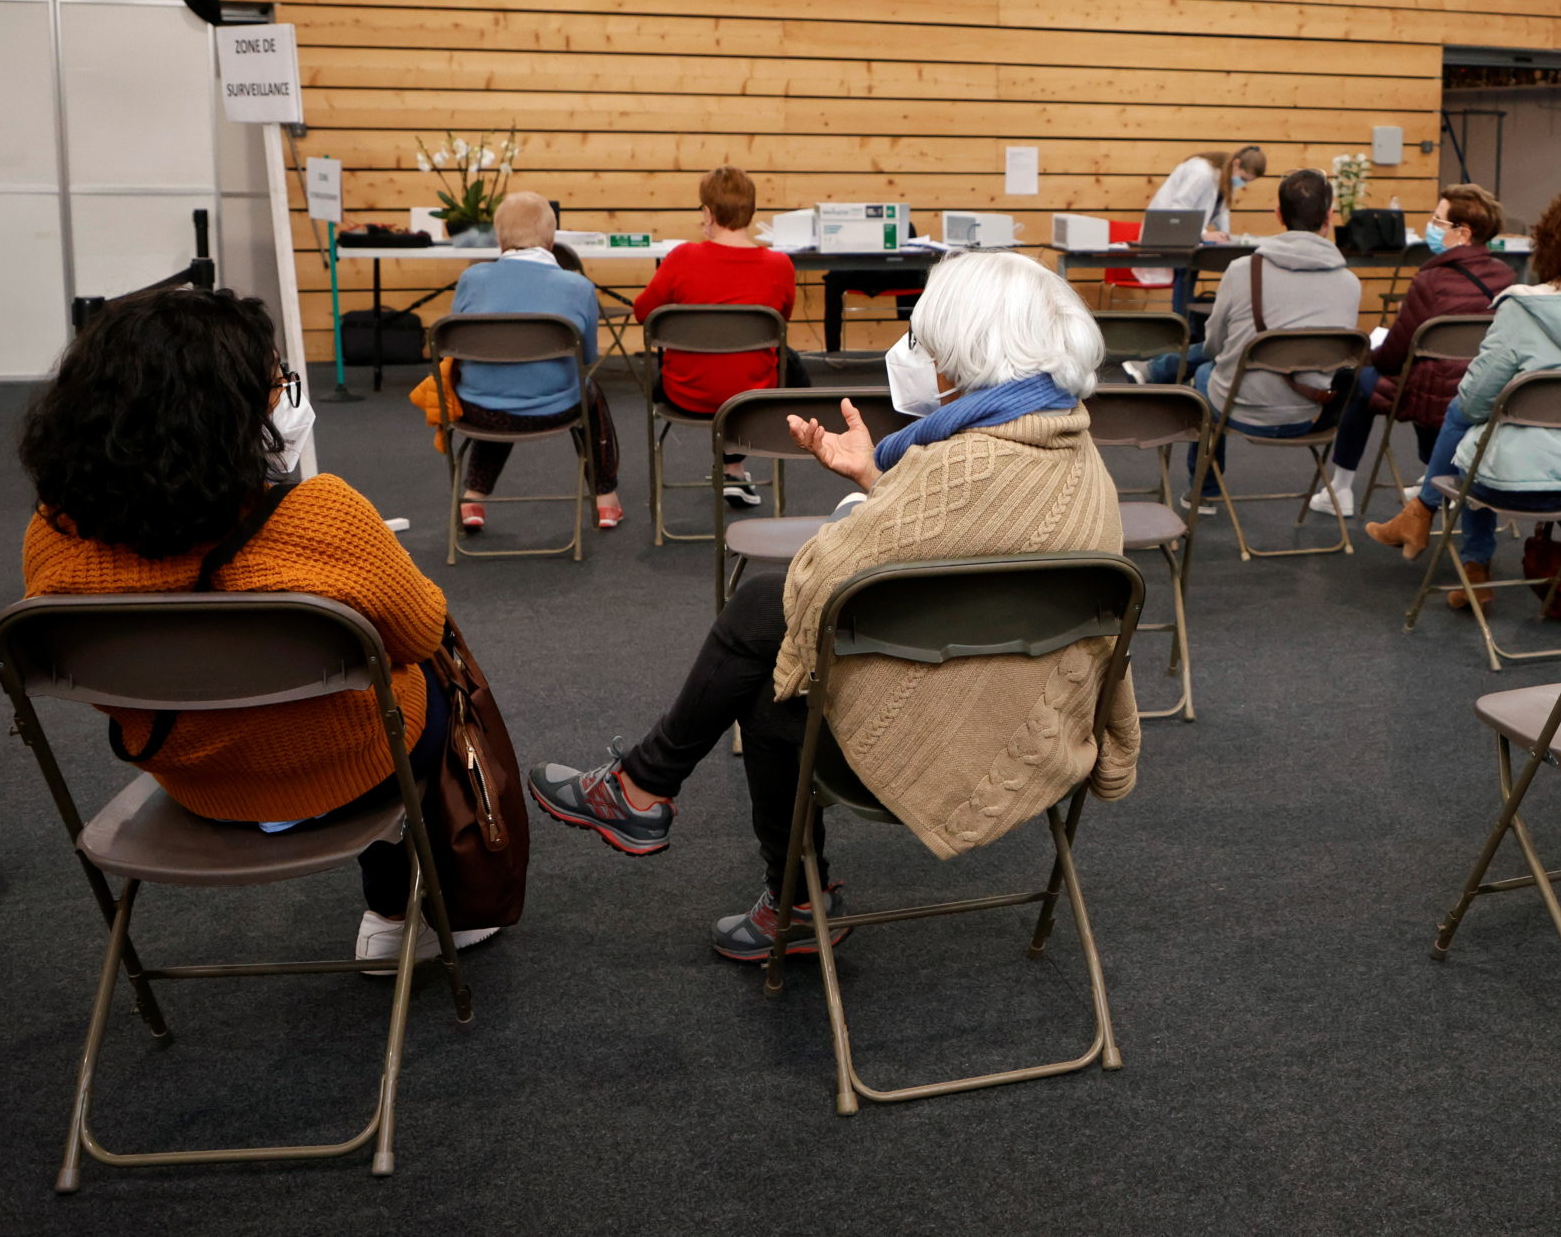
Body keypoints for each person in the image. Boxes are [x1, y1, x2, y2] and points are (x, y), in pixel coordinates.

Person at [526, 251, 1136, 960]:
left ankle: (662, 799)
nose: (926, 357)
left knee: (767, 636)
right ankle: (672, 808)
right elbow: (975, 545)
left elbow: (822, 588)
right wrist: (881, 481)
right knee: (774, 661)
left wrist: (868, 505)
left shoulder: (963, 464)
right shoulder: (1073, 453)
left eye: (932, 341)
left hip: (967, 718)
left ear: (969, 351)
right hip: (1030, 701)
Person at [18, 288, 496, 965]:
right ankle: (400, 905)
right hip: (352, 768)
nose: (284, 399)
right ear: (229, 414)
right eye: (275, 383)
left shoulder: (53, 538)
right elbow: (421, 633)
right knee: (438, 676)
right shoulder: (323, 515)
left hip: (193, 780)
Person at [1366, 191, 1561, 605]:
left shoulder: (1520, 313)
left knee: (1472, 421)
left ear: (1544, 249)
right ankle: (1434, 528)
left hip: (1508, 483)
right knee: (1478, 426)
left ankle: (1469, 558)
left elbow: (1473, 403)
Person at [1130, 167, 1358, 497]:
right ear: (1330, 216)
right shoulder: (1350, 284)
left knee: (1208, 372)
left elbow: (1213, 347)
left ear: (1278, 214)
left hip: (1241, 404)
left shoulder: (1242, 271)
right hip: (1313, 413)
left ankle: (1205, 492)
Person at [1307, 183, 1515, 517]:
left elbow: (1395, 354)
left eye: (1437, 221)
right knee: (1432, 373)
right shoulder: (1507, 277)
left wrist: (1371, 356)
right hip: (1486, 392)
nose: (1431, 228)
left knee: (1364, 381)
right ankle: (1437, 475)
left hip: (1433, 396)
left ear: (1462, 233)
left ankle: (1341, 489)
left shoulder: (1429, 281)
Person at [447, 189, 623, 531]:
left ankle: (473, 498)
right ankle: (606, 500)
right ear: (551, 238)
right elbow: (586, 358)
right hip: (554, 409)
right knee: (592, 391)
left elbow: (457, 351)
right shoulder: (578, 286)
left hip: (480, 412)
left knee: (495, 381)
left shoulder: (471, 279)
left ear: (499, 238)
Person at [632, 165, 805, 508]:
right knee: (784, 363)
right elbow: (779, 324)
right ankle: (737, 467)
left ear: (708, 213)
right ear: (751, 212)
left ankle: (733, 470)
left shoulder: (681, 258)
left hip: (686, 394)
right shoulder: (780, 265)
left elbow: (642, 314)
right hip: (754, 398)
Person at [1145, 144, 1267, 323]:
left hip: (1186, 236)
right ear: (1236, 164)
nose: (1242, 184)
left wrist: (1224, 235)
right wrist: (1203, 234)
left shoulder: (1223, 176)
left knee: (1190, 270)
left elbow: (1221, 211)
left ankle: (1187, 326)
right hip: (1168, 230)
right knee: (1185, 271)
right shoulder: (1201, 172)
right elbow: (1180, 209)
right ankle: (1182, 326)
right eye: (1243, 178)